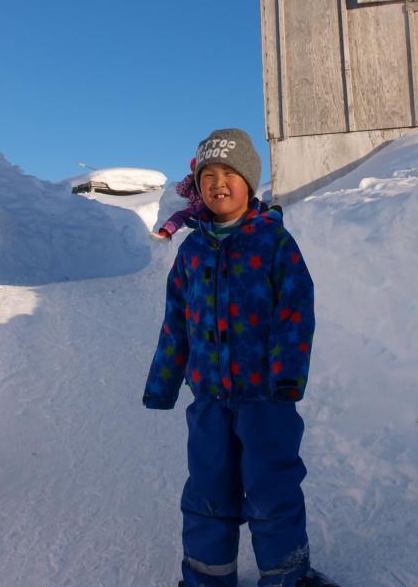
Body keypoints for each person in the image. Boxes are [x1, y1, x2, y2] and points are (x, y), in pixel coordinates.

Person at [143, 129, 334, 587]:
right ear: (197, 187)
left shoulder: (274, 243)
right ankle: (207, 579)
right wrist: (164, 382)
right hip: (209, 399)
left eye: (230, 173)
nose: (218, 183)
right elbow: (176, 322)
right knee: (208, 491)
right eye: (208, 175)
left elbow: (295, 313)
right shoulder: (191, 252)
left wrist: (287, 379)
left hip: (265, 399)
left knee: (272, 488)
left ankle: (288, 576)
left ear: (250, 182)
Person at [152, 158, 208, 240]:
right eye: (193, 170)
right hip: (194, 210)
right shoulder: (192, 185)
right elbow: (180, 191)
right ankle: (166, 232)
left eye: (198, 169)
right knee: (179, 214)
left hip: (207, 207)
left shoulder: (208, 181)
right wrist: (189, 179)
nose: (196, 172)